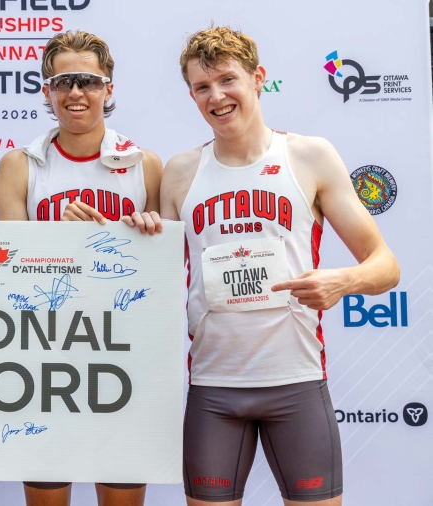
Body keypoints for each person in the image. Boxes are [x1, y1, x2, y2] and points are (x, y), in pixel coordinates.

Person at [160, 26, 400, 506]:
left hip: (297, 384)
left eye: (227, 80)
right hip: (213, 388)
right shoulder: (180, 171)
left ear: (258, 79)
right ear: (191, 94)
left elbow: (385, 266)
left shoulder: (307, 156)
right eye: (202, 87)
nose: (217, 96)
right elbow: (155, 279)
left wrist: (344, 280)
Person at [0, 30, 162, 506]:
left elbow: (162, 273)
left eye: (87, 81)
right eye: (62, 81)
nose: (75, 93)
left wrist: (131, 233)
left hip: (122, 355)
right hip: (45, 358)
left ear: (109, 89)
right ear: (47, 90)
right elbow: (7, 270)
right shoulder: (20, 165)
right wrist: (59, 241)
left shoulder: (144, 164)